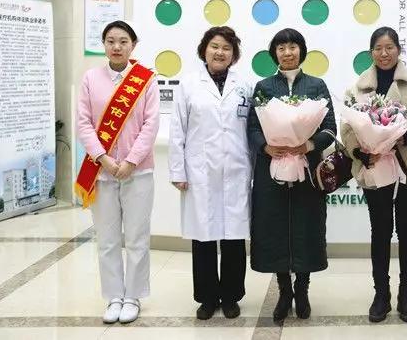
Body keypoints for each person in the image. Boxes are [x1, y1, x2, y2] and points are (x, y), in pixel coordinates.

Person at [341, 27, 407, 323]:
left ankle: (405, 295)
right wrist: (360, 152)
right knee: (380, 231)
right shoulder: (358, 88)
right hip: (375, 169)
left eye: (389, 47)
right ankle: (381, 294)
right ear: (371, 52)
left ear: (398, 49)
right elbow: (347, 127)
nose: (384, 54)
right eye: (378, 48)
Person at [247, 28, 337, 325]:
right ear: (274, 53)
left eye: (293, 47)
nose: (287, 53)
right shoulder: (263, 86)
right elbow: (253, 127)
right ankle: (284, 291)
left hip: (307, 169)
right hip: (272, 169)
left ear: (302, 50)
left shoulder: (316, 85)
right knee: (275, 228)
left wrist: (307, 145)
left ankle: (303, 289)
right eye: (281, 48)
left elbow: (330, 128)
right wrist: (266, 146)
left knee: (305, 227)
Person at [76, 21, 159, 325]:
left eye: (123, 41)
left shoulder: (146, 80)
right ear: (104, 44)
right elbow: (83, 123)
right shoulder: (90, 78)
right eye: (110, 41)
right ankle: (113, 296)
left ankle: (133, 296)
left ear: (133, 45)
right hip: (102, 173)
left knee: (136, 238)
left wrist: (131, 161)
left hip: (138, 172)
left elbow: (151, 124)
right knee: (108, 239)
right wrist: (103, 158)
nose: (116, 46)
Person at [169, 26, 254, 320]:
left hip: (236, 169)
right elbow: (178, 129)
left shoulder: (244, 86)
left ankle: (231, 297)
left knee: (234, 237)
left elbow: (252, 129)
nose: (220, 52)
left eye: (227, 48)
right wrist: (178, 170)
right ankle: (206, 298)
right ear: (204, 50)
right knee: (203, 237)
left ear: (234, 54)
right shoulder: (189, 84)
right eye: (215, 46)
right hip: (200, 172)